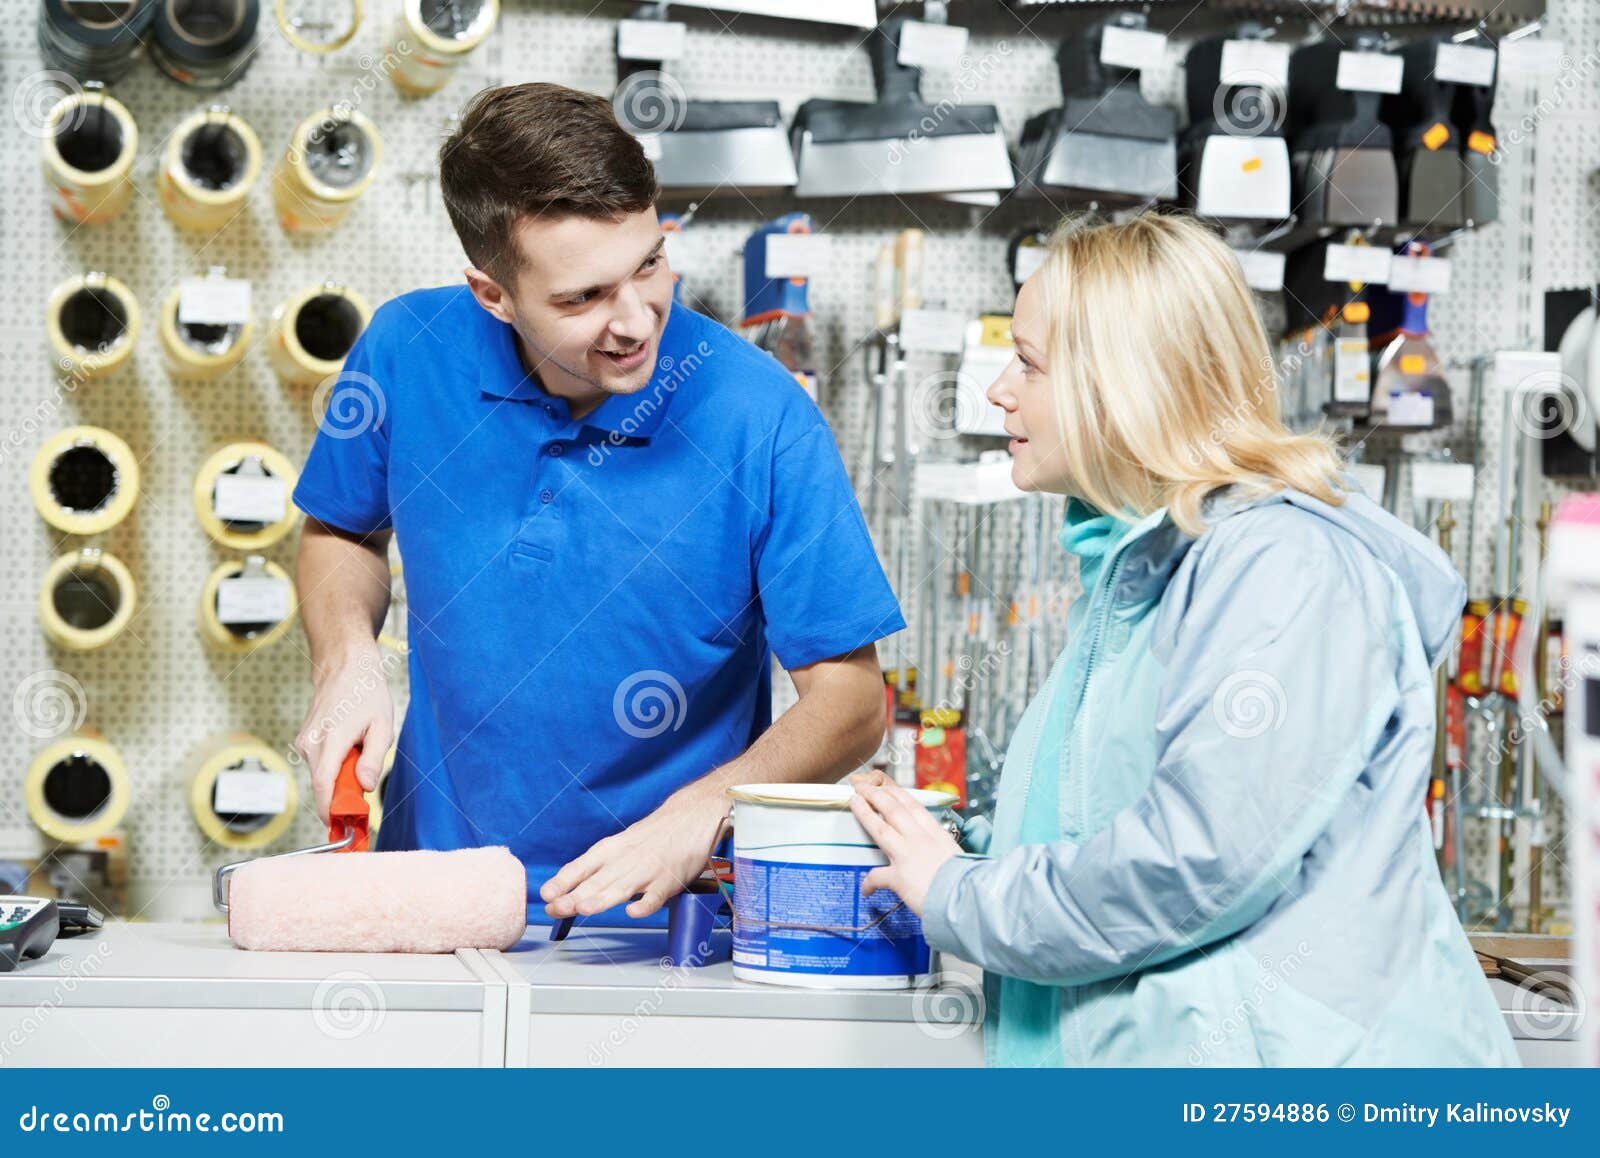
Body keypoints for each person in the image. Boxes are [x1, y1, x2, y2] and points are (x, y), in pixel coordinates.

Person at [849, 212, 1518, 1066]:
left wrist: (963, 893)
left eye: (1029, 361)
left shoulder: (1283, 569)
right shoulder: (1145, 575)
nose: (998, 391)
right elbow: (1114, 822)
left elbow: (1198, 860)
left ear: (1120, 382)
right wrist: (952, 846)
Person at [291, 82, 902, 927]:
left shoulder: (761, 416)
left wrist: (706, 811)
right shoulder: (404, 351)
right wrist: (345, 660)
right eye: (581, 298)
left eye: (648, 264)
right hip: (430, 905)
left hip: (661, 932)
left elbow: (851, 700)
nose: (635, 320)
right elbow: (339, 530)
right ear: (492, 294)